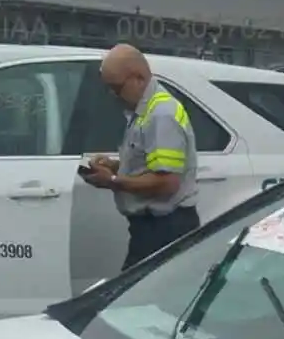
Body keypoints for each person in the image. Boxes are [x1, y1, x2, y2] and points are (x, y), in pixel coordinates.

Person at [78, 44, 200, 269]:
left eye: (116, 87)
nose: (113, 95)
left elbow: (166, 183)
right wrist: (115, 166)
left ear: (138, 78)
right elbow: (149, 165)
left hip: (165, 230)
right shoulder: (144, 112)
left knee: (133, 299)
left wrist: (113, 181)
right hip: (153, 229)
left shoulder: (162, 115)